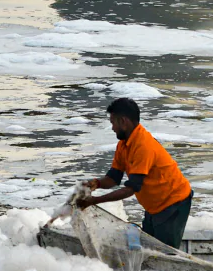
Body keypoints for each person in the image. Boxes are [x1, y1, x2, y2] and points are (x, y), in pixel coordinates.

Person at [78, 97, 193, 249]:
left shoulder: (143, 146)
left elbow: (131, 189)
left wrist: (95, 201)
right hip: (154, 205)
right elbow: (113, 178)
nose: (112, 128)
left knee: (165, 252)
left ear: (123, 121)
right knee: (150, 248)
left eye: (113, 122)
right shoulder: (123, 145)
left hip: (173, 203)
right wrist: (96, 183)